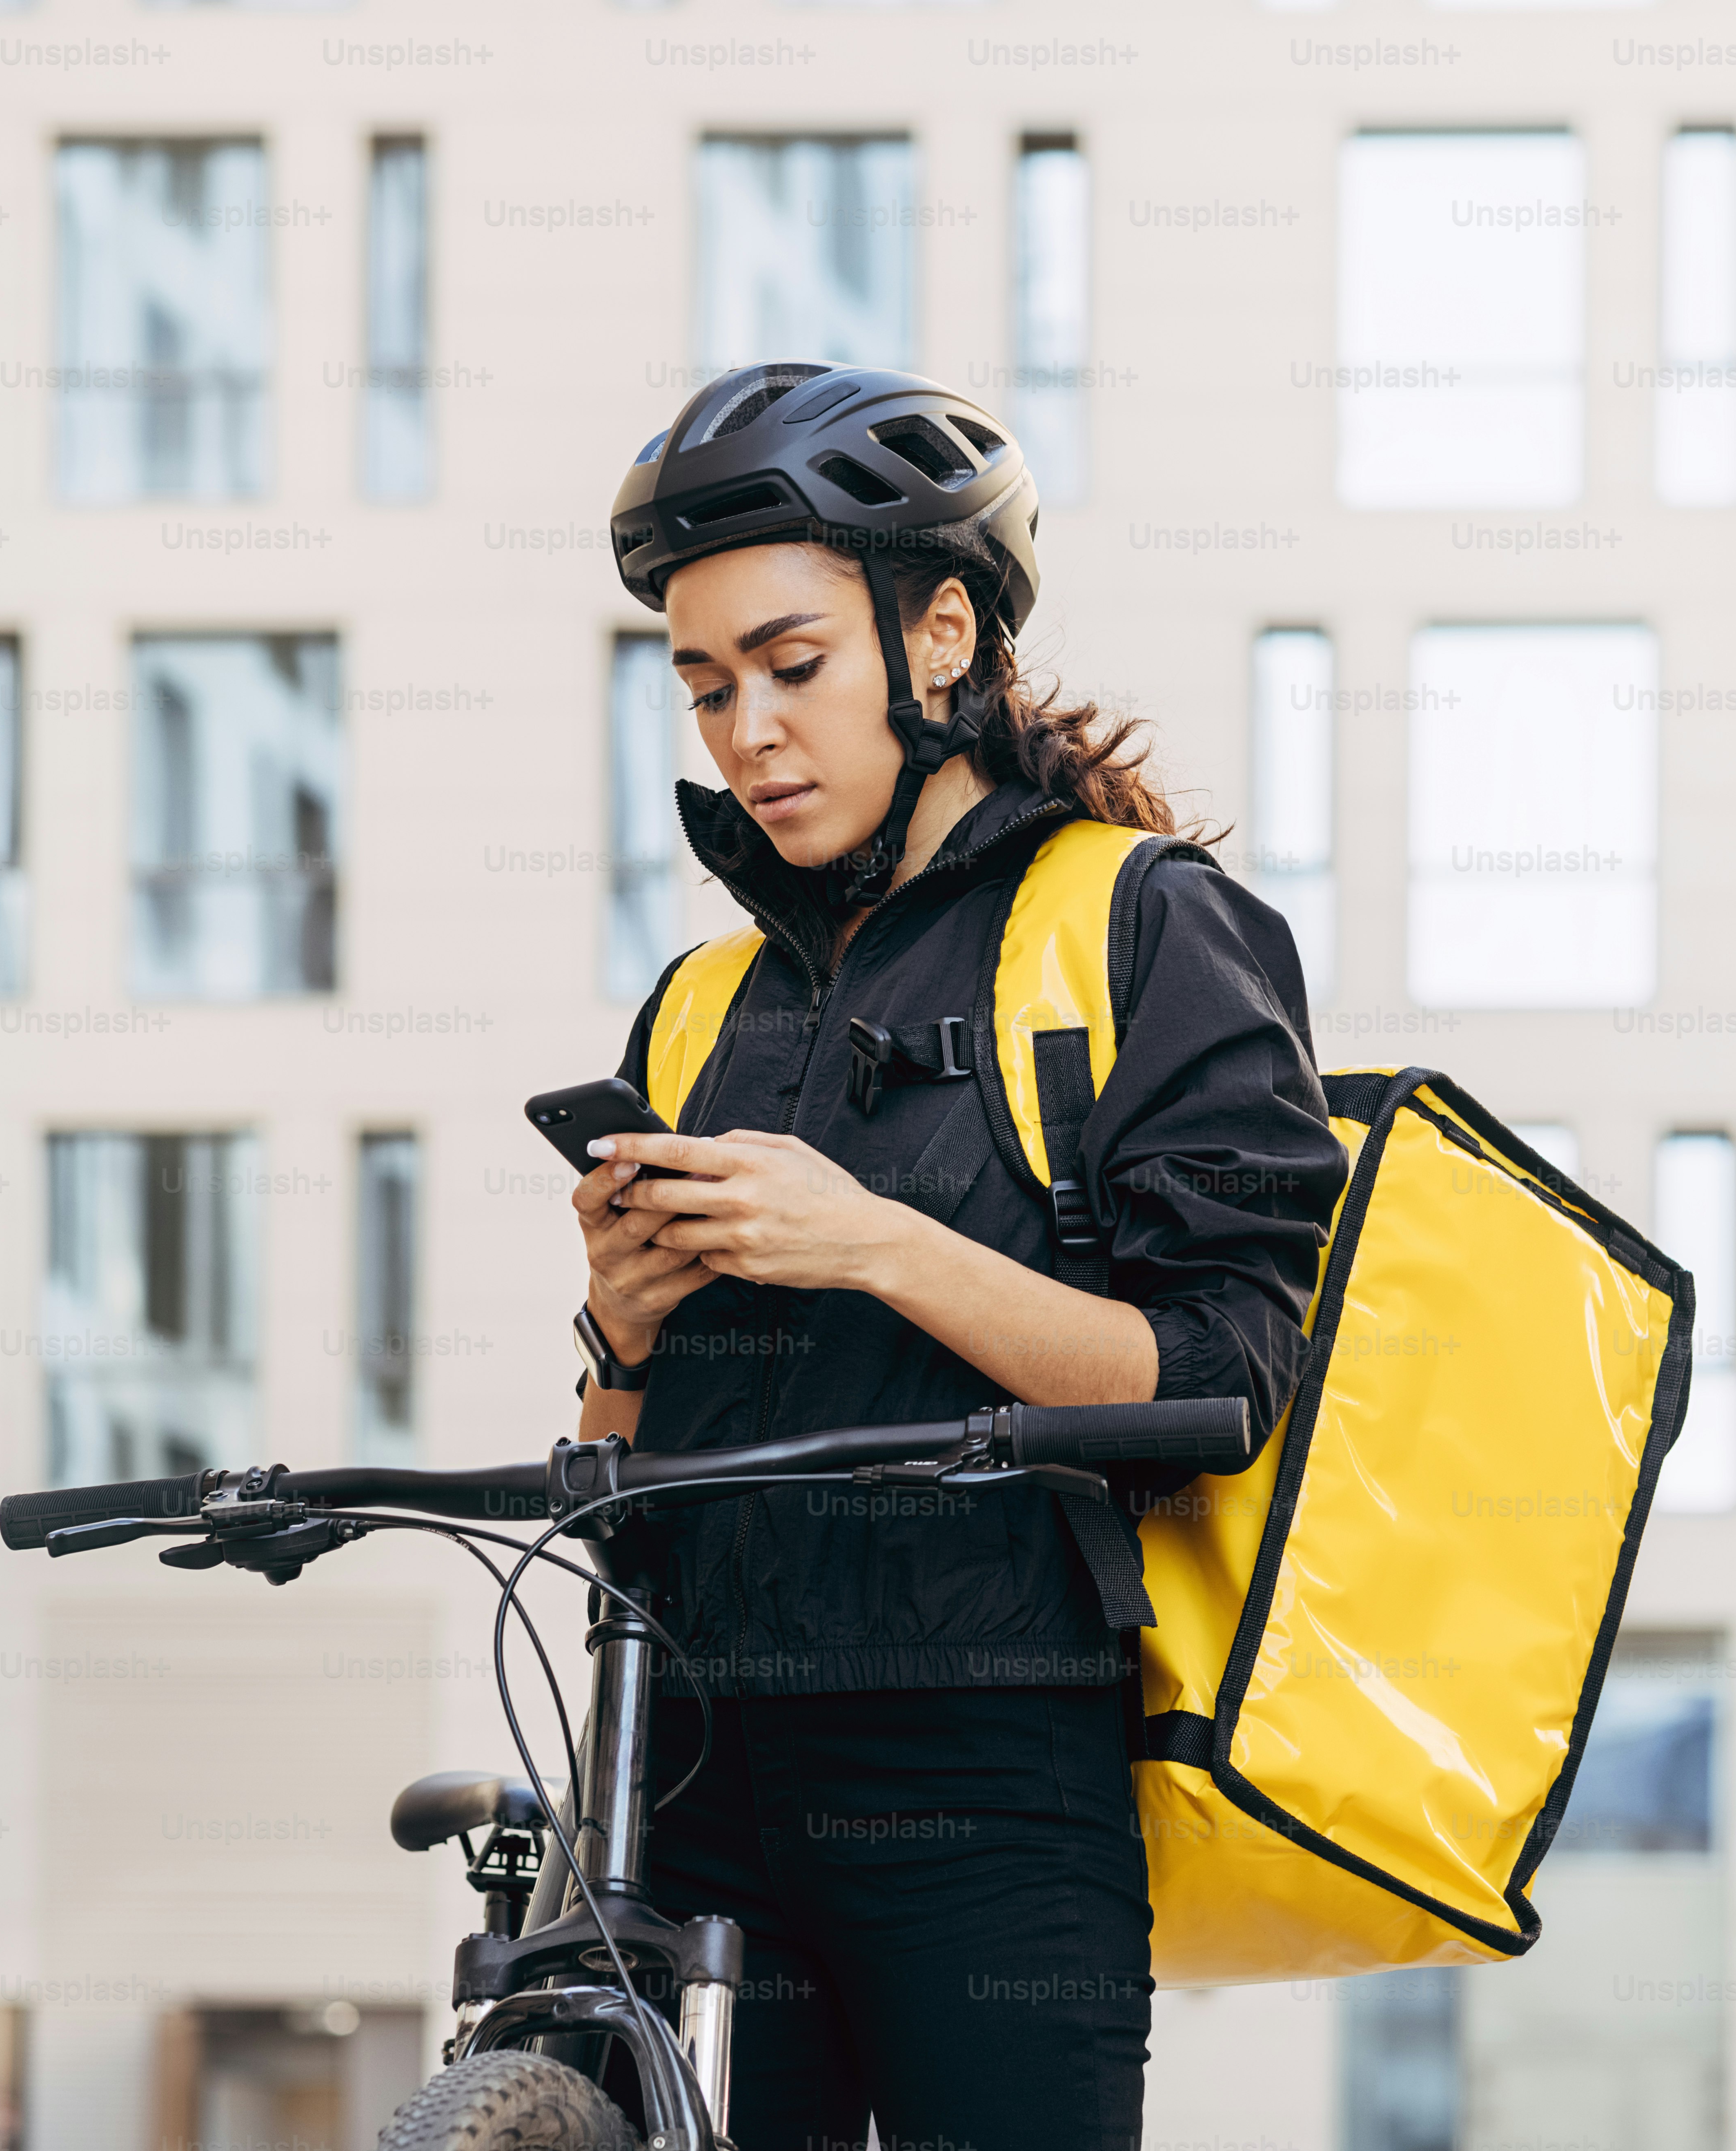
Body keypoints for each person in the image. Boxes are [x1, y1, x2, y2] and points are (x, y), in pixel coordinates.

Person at [567, 363, 1347, 2149]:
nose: (746, 731)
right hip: (690, 1765)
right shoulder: (700, 1007)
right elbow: (625, 1454)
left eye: (791, 664)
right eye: (702, 687)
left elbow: (1223, 1381)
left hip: (986, 1783)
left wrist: (871, 1245)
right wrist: (619, 1327)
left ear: (937, 638)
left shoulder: (1142, 928)